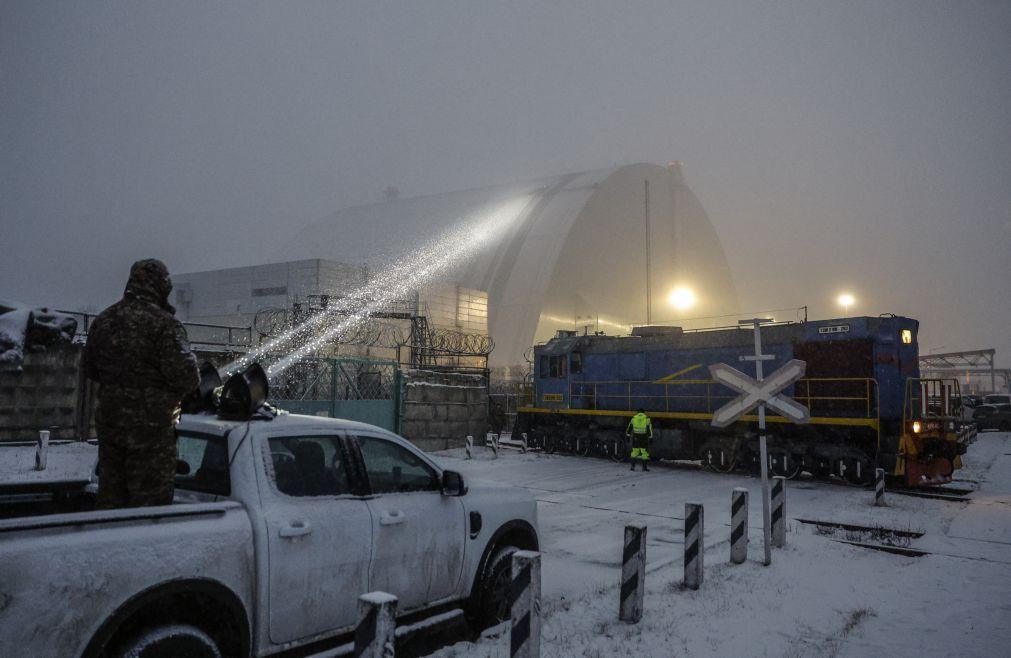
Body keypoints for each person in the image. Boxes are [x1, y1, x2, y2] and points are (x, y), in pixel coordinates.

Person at [83, 259, 199, 508]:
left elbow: (89, 369)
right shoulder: (165, 325)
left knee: (112, 499)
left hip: (110, 426)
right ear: (161, 286)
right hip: (151, 431)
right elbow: (187, 377)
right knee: (150, 508)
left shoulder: (103, 320)